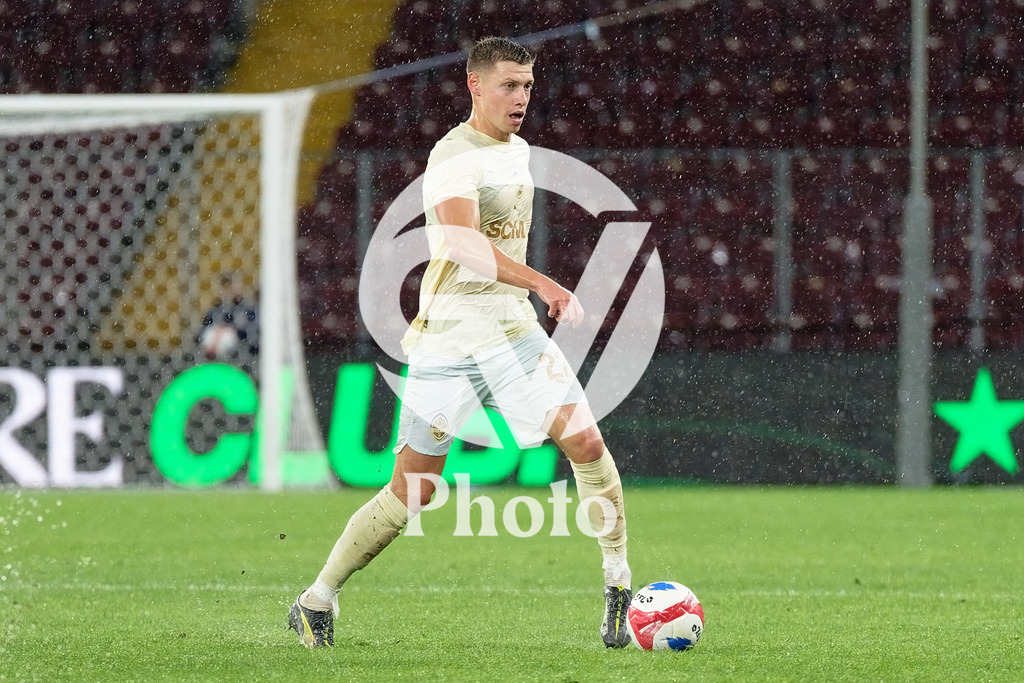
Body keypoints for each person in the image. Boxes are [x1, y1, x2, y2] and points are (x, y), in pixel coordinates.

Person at [289, 36, 632, 649]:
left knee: (584, 439)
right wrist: (545, 284)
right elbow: (463, 247)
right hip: (450, 337)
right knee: (414, 488)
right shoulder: (453, 154)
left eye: (528, 85)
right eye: (509, 84)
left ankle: (617, 584)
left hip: (511, 328)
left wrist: (527, 295)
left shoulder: (519, 151)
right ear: (475, 85)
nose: (521, 97)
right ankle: (317, 598)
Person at [196, 271, 258, 359]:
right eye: (225, 286)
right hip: (216, 355)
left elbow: (253, 335)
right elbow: (200, 335)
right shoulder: (215, 310)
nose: (228, 289)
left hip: (241, 354)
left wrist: (233, 331)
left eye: (231, 285)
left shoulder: (247, 309)